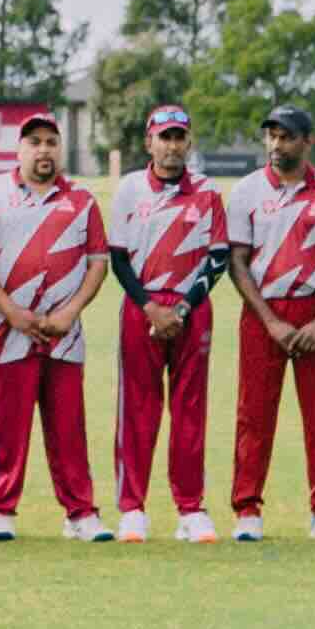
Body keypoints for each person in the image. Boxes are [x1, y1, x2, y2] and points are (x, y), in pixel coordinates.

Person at [220, 101, 315, 546]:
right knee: (254, 415)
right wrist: (272, 322)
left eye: (286, 137)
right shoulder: (245, 192)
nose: (276, 145)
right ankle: (247, 509)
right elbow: (237, 263)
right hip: (264, 315)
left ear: (307, 141)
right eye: (271, 136)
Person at [0, 107, 112, 542]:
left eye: (51, 142)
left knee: (68, 426)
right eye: (34, 142)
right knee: (8, 425)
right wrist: (10, 311)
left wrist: (70, 313)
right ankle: (0, 510)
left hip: (65, 333)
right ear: (19, 149)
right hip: (10, 331)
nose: (43, 150)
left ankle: (80, 513)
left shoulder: (82, 200)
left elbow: (97, 263)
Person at [101, 101, 224, 541]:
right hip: (142, 307)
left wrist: (184, 308)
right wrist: (151, 307)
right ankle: (132, 507)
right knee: (138, 408)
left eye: (179, 137)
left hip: (192, 309)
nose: (172, 146)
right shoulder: (131, 189)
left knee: (190, 410)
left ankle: (190, 509)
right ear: (148, 142)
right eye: (164, 137)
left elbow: (219, 257)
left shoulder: (208, 191)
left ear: (189, 142)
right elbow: (118, 259)